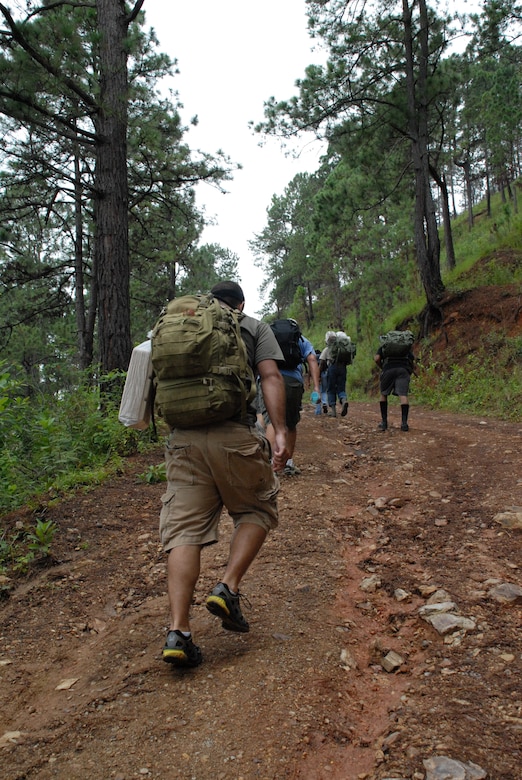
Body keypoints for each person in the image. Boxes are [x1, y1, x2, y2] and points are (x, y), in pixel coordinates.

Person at [160, 281, 289, 668]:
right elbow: (270, 376)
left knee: (184, 533)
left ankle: (178, 631)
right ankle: (228, 587)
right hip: (235, 434)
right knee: (257, 509)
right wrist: (279, 429)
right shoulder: (251, 326)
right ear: (240, 303)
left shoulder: (173, 323)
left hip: (183, 440)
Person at [261, 322, 321, 476]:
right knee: (291, 423)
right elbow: (312, 359)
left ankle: (268, 465)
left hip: (270, 381)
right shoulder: (301, 339)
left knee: (271, 422)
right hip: (294, 382)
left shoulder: (267, 337)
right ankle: (287, 464)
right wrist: (316, 387)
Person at [374, 337, 417, 431]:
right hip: (403, 370)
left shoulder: (385, 345)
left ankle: (384, 422)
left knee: (384, 394)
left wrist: (382, 367)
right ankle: (404, 424)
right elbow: (412, 360)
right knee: (403, 395)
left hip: (388, 369)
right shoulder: (405, 347)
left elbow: (377, 359)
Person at [319, 331, 350, 418]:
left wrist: (318, 375)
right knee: (341, 388)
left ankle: (333, 411)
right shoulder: (341, 348)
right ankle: (343, 401)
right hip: (343, 368)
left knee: (331, 389)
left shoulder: (327, 349)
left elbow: (321, 363)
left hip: (332, 368)